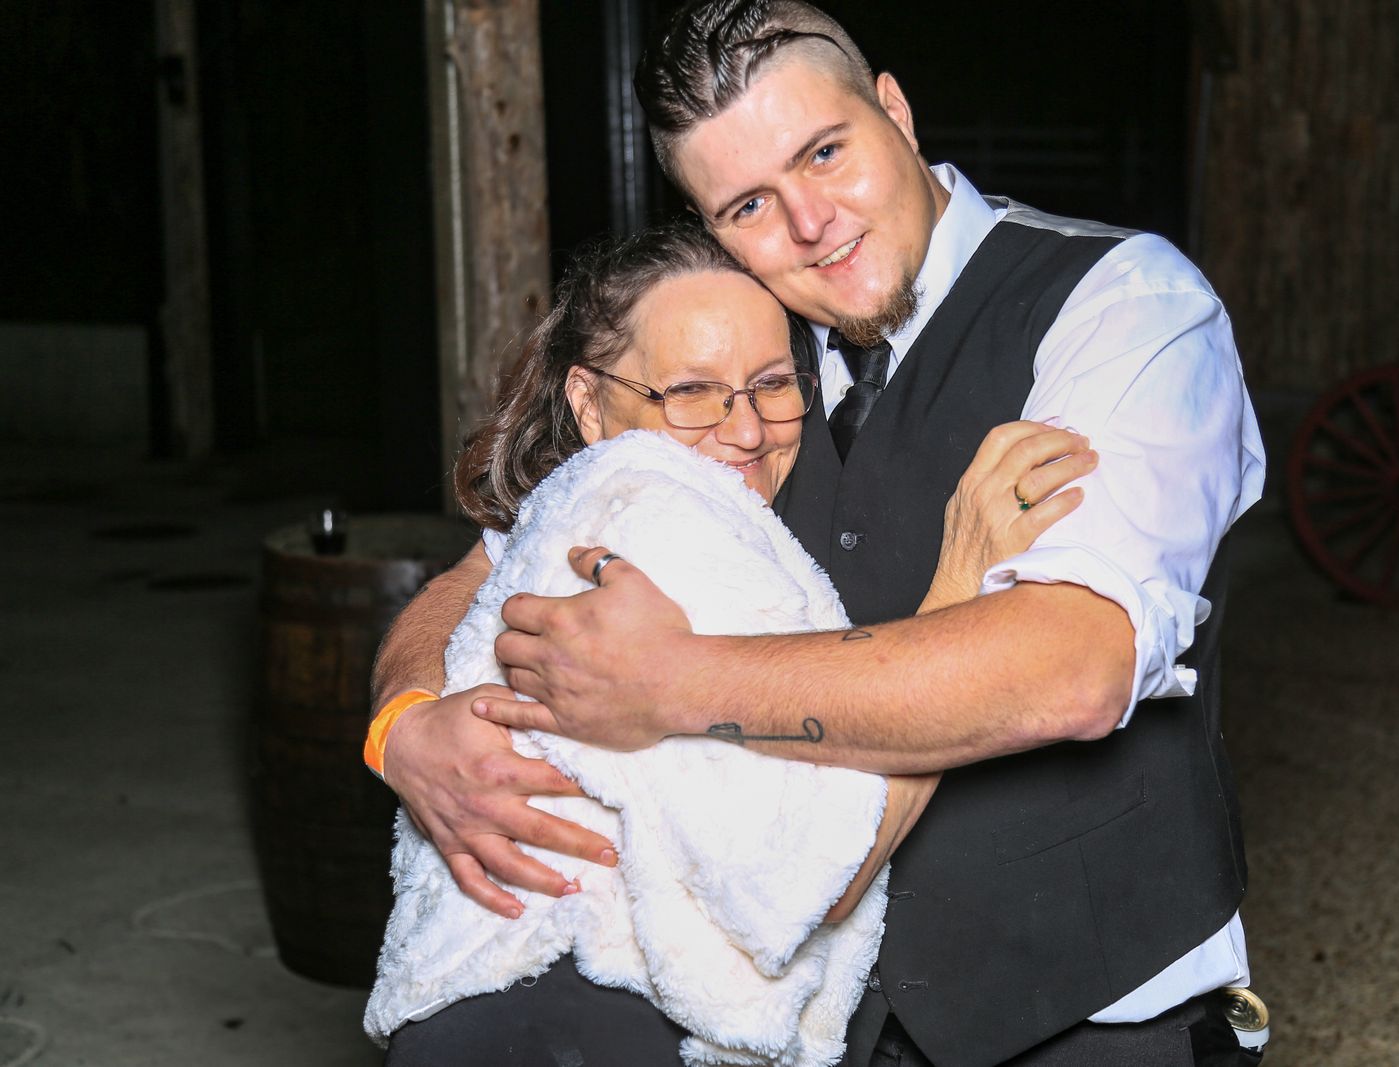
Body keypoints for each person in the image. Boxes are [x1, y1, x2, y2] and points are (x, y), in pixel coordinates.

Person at [377, 2, 1267, 1064]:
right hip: (804, 1020)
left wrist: (676, 681)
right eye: (749, 203)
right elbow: (479, 573)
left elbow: (1070, 668)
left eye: (826, 153)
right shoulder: (740, 346)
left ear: (894, 109)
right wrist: (405, 722)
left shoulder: (1119, 304)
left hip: (1085, 1005)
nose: (809, 223)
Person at [370, 220, 1095, 1064]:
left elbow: (468, 575)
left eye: (772, 384)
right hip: (585, 1024)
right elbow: (812, 875)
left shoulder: (586, 495)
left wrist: (397, 721)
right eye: (690, 391)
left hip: (487, 1004)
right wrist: (964, 574)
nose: (745, 430)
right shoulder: (662, 522)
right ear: (588, 402)